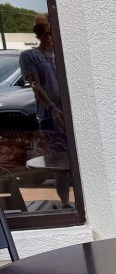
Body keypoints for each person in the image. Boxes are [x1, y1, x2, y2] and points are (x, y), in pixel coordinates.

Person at [19, 13, 71, 207]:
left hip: (68, 115)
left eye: (52, 33)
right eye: (46, 33)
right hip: (50, 117)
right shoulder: (30, 56)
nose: (49, 37)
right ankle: (66, 204)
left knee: (73, 159)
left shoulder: (59, 55)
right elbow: (36, 86)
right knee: (61, 163)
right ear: (39, 35)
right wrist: (52, 108)